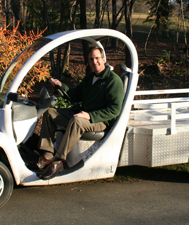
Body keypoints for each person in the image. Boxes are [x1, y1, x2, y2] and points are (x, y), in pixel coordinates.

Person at [37, 46, 124, 180]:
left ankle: (58, 161)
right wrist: (61, 86)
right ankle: (47, 155)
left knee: (76, 121)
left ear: (104, 59)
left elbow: (114, 110)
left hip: (100, 121)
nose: (94, 62)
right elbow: (76, 95)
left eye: (97, 58)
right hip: (85, 114)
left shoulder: (113, 81)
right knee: (50, 113)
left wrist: (89, 116)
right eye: (91, 59)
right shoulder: (91, 78)